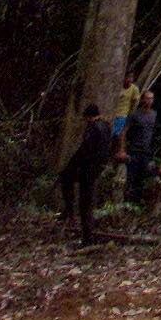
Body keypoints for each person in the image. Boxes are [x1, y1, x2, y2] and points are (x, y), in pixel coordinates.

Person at [59, 103, 113, 244]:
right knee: (85, 200)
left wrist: (74, 165)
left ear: (89, 117)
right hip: (96, 167)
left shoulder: (94, 127)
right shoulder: (106, 126)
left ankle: (86, 235)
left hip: (87, 168)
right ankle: (83, 230)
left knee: (84, 203)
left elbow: (85, 150)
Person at [124, 90, 158, 203]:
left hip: (146, 151)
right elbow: (124, 131)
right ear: (142, 99)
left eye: (151, 98)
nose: (149, 101)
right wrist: (122, 150)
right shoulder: (135, 114)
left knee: (142, 178)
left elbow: (154, 134)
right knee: (131, 178)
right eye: (147, 98)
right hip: (134, 150)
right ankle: (128, 202)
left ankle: (137, 202)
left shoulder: (154, 115)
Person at [112, 71, 141, 147]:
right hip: (113, 113)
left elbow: (135, 103)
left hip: (123, 115)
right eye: (128, 77)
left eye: (131, 77)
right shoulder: (118, 86)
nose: (130, 79)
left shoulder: (134, 89)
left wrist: (130, 115)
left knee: (118, 135)